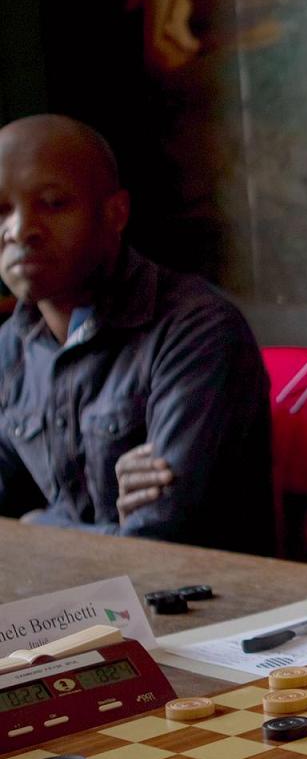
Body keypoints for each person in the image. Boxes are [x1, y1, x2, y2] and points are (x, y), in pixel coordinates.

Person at [0, 114, 275, 553]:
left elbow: (165, 539)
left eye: (52, 203)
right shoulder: (10, 347)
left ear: (116, 213)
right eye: (1, 211)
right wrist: (59, 530)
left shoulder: (198, 330)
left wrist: (37, 527)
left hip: (201, 593)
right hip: (71, 591)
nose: (19, 230)